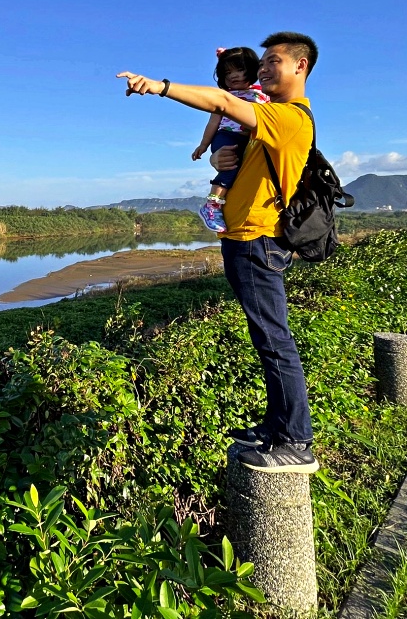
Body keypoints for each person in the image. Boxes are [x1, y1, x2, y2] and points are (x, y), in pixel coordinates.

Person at [118, 31, 320, 474]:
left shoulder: (290, 117)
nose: (263, 69)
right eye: (261, 62)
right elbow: (234, 155)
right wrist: (214, 160)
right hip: (245, 238)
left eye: (274, 62)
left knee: (274, 339)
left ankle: (296, 441)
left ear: (300, 66)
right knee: (266, 336)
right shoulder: (269, 117)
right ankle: (276, 427)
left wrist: (160, 86)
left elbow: (224, 103)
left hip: (256, 240)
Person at [191, 47, 270, 233]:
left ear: (252, 70)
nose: (233, 75)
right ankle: (212, 206)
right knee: (230, 166)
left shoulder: (263, 94)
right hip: (226, 136)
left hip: (249, 141)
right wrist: (204, 145)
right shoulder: (225, 97)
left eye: (239, 70)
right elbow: (213, 122)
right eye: (227, 72)